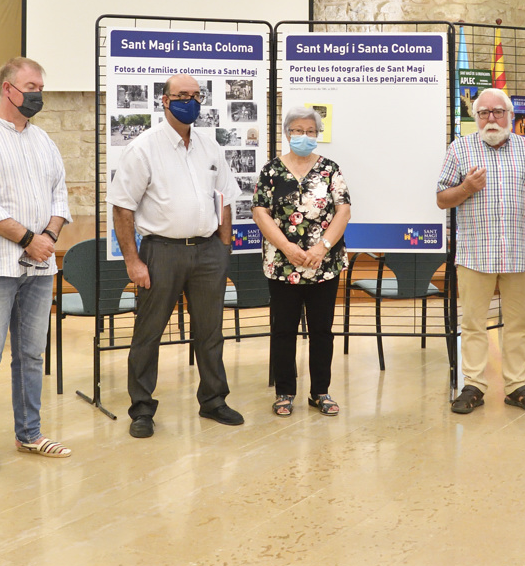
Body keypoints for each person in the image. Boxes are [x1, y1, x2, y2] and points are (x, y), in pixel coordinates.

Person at [0, 56, 73, 475]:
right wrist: (29, 240)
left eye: (41, 87)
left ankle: (30, 433)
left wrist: (49, 237)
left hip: (39, 267)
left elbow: (60, 195)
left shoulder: (44, 141)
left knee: (31, 354)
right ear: (8, 89)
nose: (38, 94)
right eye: (31, 87)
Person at [110, 73, 244, 437]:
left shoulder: (209, 146)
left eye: (197, 95)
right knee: (148, 333)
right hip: (162, 252)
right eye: (182, 95)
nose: (191, 101)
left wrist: (224, 248)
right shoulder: (144, 148)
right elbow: (122, 207)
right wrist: (133, 261)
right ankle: (142, 409)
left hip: (207, 252)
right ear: (165, 101)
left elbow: (224, 198)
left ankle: (213, 400)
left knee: (210, 332)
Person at [437, 88, 525, 415]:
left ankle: (516, 386)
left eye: (498, 112)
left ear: (510, 116)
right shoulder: (459, 149)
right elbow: (442, 199)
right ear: (475, 117)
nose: (491, 118)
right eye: (484, 112)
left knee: (518, 324)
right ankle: (474, 385)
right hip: (474, 254)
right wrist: (466, 188)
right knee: (474, 323)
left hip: (518, 252)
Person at [251, 106, 352, 417]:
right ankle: (284, 392)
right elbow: (260, 212)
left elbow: (343, 211)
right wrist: (287, 248)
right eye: (297, 130)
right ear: (287, 133)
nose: (304, 136)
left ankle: (320, 392)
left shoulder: (330, 169)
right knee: (283, 330)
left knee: (322, 330)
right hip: (283, 265)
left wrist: (322, 248)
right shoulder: (271, 170)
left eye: (310, 131)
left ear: (318, 134)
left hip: (324, 264)